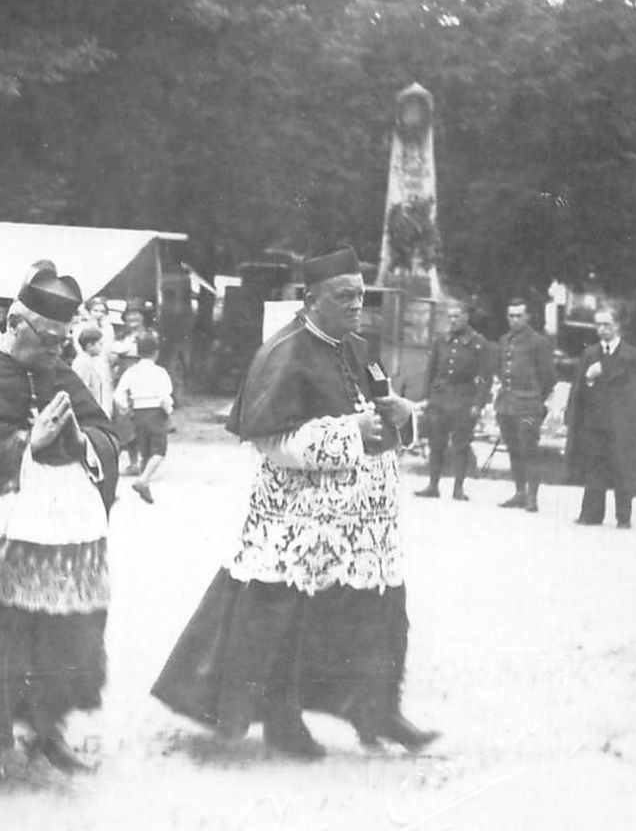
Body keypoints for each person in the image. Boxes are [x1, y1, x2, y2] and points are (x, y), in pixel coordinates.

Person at [151, 247, 438, 761]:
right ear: (312, 300)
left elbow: (377, 408)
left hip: (363, 525)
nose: (356, 306)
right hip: (300, 520)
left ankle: (379, 712)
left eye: (360, 295)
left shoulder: (355, 346)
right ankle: (283, 722)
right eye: (344, 297)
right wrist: (351, 431)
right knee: (289, 622)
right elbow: (270, 440)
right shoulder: (283, 352)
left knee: (378, 612)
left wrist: (398, 412)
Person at [0, 262, 118, 776]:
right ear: (16, 323)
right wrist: (26, 445)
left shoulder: (58, 369)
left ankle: (48, 730)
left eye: (64, 341)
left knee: (62, 634)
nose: (58, 351)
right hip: (1, 536)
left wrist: (83, 442)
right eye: (49, 339)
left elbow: (106, 435)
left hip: (64, 538)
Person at [566, 305, 636, 528]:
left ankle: (623, 517)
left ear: (618, 326)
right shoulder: (590, 354)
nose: (601, 329)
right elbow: (579, 391)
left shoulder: (634, 357)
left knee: (622, 468)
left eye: (606, 324)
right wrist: (589, 377)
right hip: (595, 423)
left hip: (622, 425)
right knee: (594, 467)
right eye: (598, 324)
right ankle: (591, 514)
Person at [415, 299, 494, 500]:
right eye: (449, 316)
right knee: (436, 442)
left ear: (466, 317)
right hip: (439, 398)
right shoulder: (440, 340)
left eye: (457, 316)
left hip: (463, 398)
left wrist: (478, 403)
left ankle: (458, 488)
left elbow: (485, 376)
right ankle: (433, 485)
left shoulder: (478, 343)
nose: (452, 320)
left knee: (461, 444)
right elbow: (430, 371)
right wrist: (426, 397)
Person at [494, 297, 557, 512]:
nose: (514, 320)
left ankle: (532, 497)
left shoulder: (538, 342)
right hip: (506, 405)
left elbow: (549, 377)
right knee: (513, 448)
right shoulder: (504, 340)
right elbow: (500, 369)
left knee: (529, 449)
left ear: (527, 317)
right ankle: (519, 492)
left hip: (529, 406)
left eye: (519, 316)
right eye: (511, 316)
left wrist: (537, 398)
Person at [115, 331, 174, 504]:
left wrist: (126, 408)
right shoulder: (160, 372)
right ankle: (143, 480)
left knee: (145, 448)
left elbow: (119, 394)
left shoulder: (131, 372)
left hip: (138, 412)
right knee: (159, 451)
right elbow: (164, 396)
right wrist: (169, 411)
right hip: (155, 411)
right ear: (156, 352)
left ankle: (144, 477)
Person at [70, 325, 113, 413]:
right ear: (90, 346)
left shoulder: (91, 362)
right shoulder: (83, 363)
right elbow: (81, 389)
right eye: (100, 344)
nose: (102, 347)